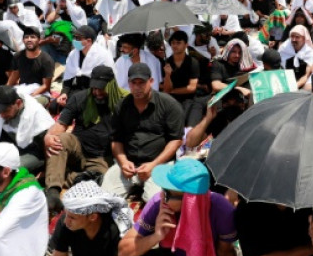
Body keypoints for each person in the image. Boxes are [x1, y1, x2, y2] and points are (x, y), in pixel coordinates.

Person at [120, 159, 238, 256]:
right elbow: (123, 252)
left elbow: (225, 252)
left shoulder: (221, 208)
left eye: (169, 194)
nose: (162, 196)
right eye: (163, 190)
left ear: (191, 200)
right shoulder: (159, 203)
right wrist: (156, 236)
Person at [12, 181, 133, 256]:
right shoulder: (66, 223)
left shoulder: (116, 229)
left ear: (92, 217)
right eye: (67, 215)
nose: (66, 221)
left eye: (72, 217)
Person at [44, 66, 122, 211]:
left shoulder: (122, 102)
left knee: (101, 181)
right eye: (94, 88)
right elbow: (61, 124)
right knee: (59, 139)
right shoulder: (80, 98)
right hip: (78, 148)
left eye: (101, 89)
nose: (97, 93)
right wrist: (48, 137)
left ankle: (68, 176)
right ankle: (53, 191)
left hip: (101, 157)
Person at [104, 63, 184, 203]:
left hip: (159, 165)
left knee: (156, 202)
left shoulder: (169, 105)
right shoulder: (122, 106)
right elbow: (116, 140)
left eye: (141, 83)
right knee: (104, 198)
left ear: (151, 82)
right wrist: (123, 162)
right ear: (129, 83)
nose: (137, 87)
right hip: (129, 165)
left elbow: (176, 140)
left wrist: (153, 165)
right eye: (133, 83)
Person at [161, 30, 208, 128]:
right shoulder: (167, 63)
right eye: (173, 43)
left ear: (186, 44)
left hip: (189, 100)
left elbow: (191, 88)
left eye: (178, 43)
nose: (175, 46)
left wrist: (172, 91)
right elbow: (166, 89)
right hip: (172, 101)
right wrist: (168, 75)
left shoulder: (192, 62)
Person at [60, 25, 115, 105]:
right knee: (55, 105)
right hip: (79, 88)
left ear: (89, 41)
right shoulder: (73, 54)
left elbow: (108, 80)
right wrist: (64, 93)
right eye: (74, 37)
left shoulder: (103, 55)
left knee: (76, 104)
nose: (75, 40)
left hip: (96, 91)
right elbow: (68, 77)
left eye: (78, 38)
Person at [7, 26, 55, 102]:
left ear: (39, 40)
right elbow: (15, 75)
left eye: (32, 37)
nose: (29, 39)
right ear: (23, 40)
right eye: (26, 37)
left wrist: (29, 98)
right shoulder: (18, 56)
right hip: (22, 89)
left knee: (28, 106)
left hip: (40, 94)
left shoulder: (46, 60)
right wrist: (5, 90)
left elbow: (45, 86)